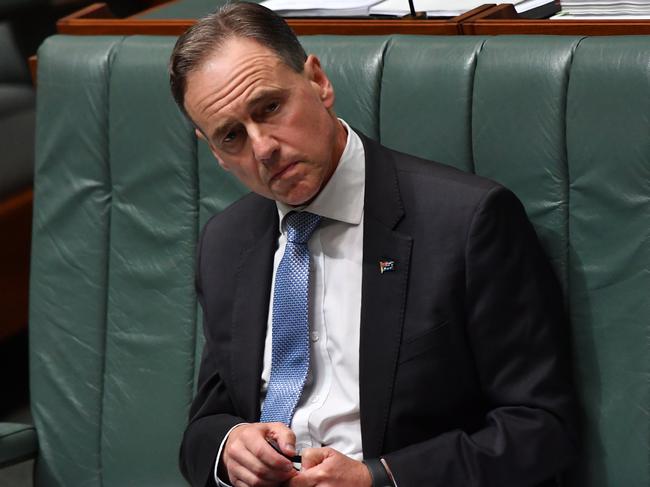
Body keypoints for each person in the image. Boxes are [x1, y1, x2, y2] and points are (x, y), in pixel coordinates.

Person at [169, 3, 578, 486]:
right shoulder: (225, 243)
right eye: (232, 136)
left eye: (270, 107)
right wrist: (228, 449)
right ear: (215, 152)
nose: (262, 148)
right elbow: (206, 425)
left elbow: (540, 430)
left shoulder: (467, 223)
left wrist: (379, 479)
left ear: (318, 82)